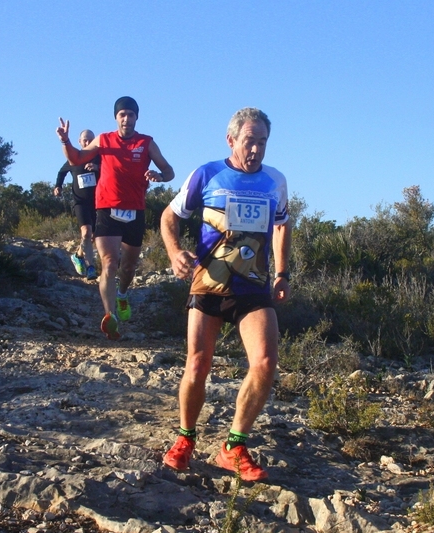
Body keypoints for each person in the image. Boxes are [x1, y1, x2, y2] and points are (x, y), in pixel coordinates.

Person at [160, 107, 291, 481]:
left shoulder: (275, 181)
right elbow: (170, 217)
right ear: (231, 139)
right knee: (198, 364)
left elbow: (282, 225)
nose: (256, 149)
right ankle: (185, 437)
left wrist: (282, 273)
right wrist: (173, 252)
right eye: (250, 140)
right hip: (209, 284)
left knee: (265, 363)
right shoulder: (207, 173)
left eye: (263, 142)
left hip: (254, 288)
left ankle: (234, 446)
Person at [56, 96, 174, 340]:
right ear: (116, 117)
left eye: (131, 114)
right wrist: (66, 140)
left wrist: (158, 177)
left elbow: (169, 171)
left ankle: (122, 294)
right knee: (109, 263)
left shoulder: (147, 143)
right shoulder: (104, 139)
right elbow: (76, 159)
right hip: (107, 209)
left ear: (136, 117)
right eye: (122, 114)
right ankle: (110, 316)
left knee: (128, 267)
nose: (126, 119)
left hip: (135, 211)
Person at [54, 129, 100, 280]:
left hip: (97, 202)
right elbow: (62, 172)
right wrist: (58, 186)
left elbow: (112, 172)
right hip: (80, 202)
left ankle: (78, 256)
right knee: (86, 233)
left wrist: (98, 168)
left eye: (90, 140)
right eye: (85, 140)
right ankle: (91, 268)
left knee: (92, 237)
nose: (87, 142)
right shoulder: (73, 159)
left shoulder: (100, 158)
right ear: (80, 142)